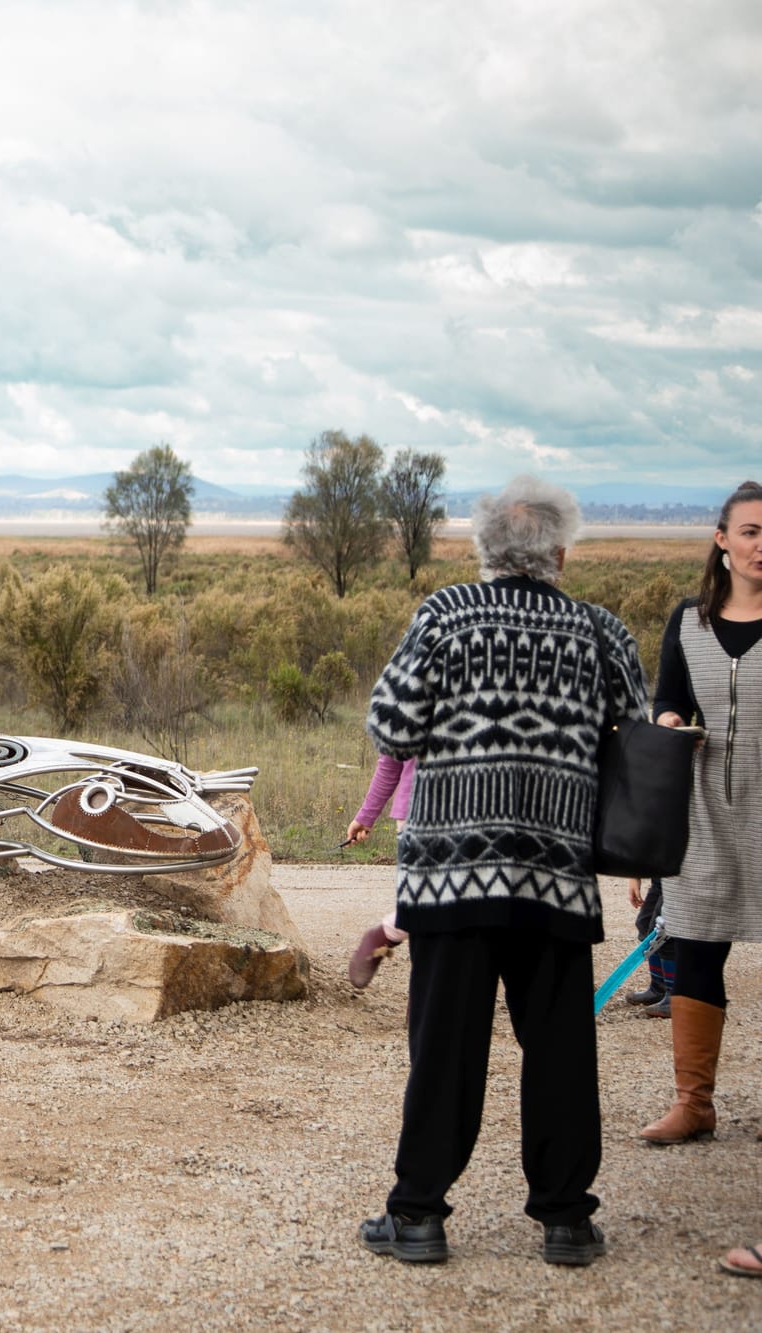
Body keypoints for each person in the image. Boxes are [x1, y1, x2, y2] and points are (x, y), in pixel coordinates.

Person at [356, 474, 647, 1268]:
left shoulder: (445, 615)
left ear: (484, 550)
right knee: (560, 1050)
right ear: (560, 554)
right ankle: (567, 1219)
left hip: (451, 874)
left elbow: (391, 726)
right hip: (557, 871)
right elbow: (638, 736)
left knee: (445, 1048)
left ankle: (418, 1213)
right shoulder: (600, 631)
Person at [637, 480, 762, 1146]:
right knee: (697, 949)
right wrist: (669, 724)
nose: (761, 545)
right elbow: (668, 701)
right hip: (704, 810)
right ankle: (694, 1104)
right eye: (750, 532)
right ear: (722, 540)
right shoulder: (689, 621)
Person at [344, 754, 414, 988]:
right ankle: (389, 932)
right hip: (419, 814)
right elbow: (391, 761)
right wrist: (366, 815)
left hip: (493, 814)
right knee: (427, 908)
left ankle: (391, 931)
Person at [622, 876, 674, 1017]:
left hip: (679, 881)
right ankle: (658, 988)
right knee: (645, 924)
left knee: (664, 933)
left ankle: (675, 996)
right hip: (660, 879)